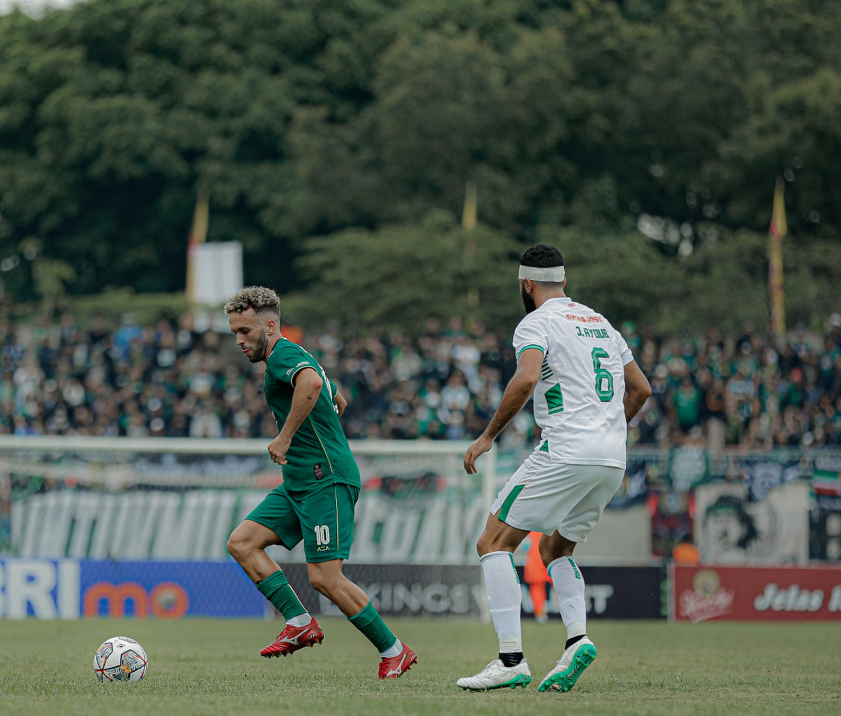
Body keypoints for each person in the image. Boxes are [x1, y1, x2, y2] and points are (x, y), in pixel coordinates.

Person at [458, 245, 652, 692]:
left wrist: (488, 436)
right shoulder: (600, 322)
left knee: (492, 543)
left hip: (567, 449)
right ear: (563, 281)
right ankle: (576, 640)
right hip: (611, 458)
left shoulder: (536, 321)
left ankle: (510, 660)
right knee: (554, 551)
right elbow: (641, 389)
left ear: (526, 284)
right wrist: (607, 430)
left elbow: (526, 378)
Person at [224, 286, 417, 679]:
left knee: (325, 578)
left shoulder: (284, 355)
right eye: (235, 333)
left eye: (245, 331)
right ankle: (298, 621)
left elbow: (312, 387)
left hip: (323, 480)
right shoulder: (296, 356)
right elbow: (336, 398)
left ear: (271, 325)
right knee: (242, 543)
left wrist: (286, 436)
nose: (240, 341)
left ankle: (394, 650)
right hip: (299, 481)